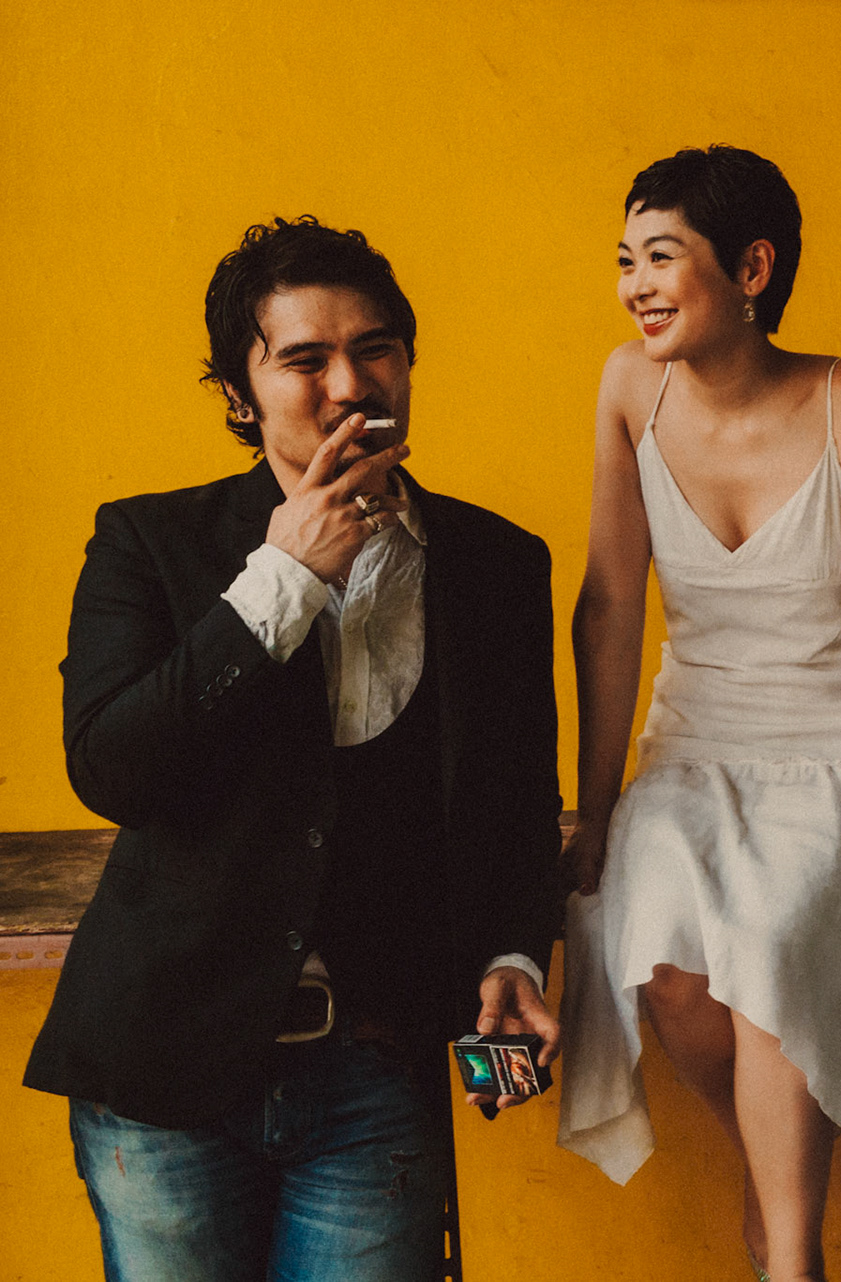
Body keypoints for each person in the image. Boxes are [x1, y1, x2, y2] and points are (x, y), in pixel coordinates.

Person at [24, 217, 564, 1282]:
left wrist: (511, 959)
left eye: (376, 349)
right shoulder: (146, 540)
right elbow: (112, 769)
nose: (350, 385)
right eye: (306, 360)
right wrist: (284, 581)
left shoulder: (497, 561)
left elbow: (512, 803)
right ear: (241, 394)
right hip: (163, 1075)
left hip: (377, 1070)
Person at [557, 146, 841, 1282]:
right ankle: (774, 1199)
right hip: (693, 746)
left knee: (770, 932)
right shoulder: (628, 387)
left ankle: (789, 1260)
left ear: (751, 269)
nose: (635, 286)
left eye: (662, 258)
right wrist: (594, 811)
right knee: (656, 949)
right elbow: (609, 610)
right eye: (625, 260)